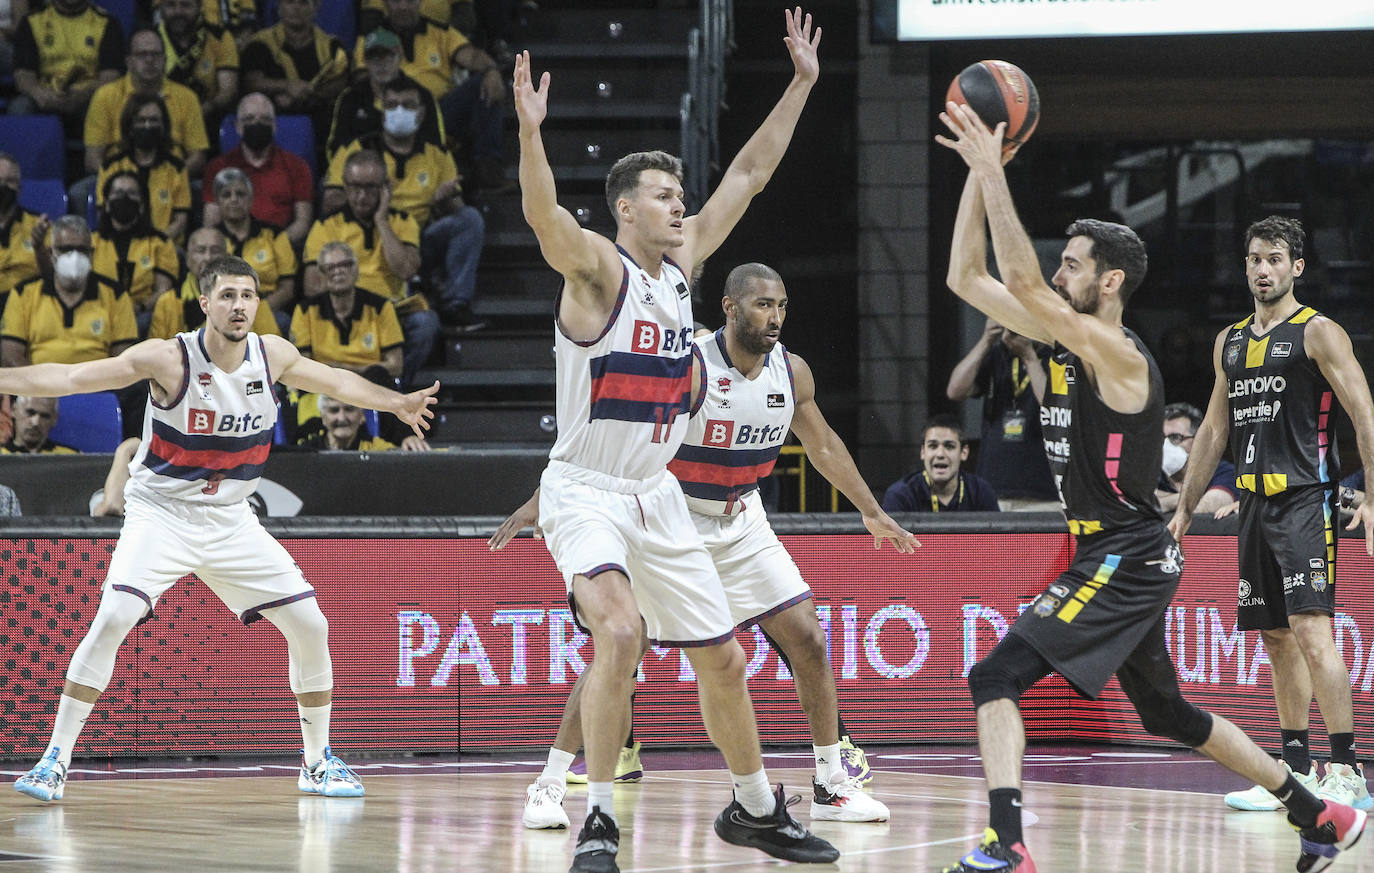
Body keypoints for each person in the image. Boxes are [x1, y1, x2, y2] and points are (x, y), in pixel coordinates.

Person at [935, 103, 1364, 872]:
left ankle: (1007, 840)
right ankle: (1319, 813)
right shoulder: (1063, 334)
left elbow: (1023, 280)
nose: (1053, 273)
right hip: (1129, 551)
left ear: (1108, 283)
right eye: (1058, 262)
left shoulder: (1118, 354)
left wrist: (997, 170)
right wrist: (975, 171)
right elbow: (965, 275)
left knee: (995, 675)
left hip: (1122, 555)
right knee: (1167, 711)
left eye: (1070, 264)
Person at [513, 9, 836, 871]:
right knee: (619, 633)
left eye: (678, 193)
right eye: (663, 193)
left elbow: (753, 172)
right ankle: (600, 823)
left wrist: (802, 83)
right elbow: (543, 215)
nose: (680, 201)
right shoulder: (597, 271)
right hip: (585, 487)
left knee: (725, 660)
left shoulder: (681, 270)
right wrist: (531, 134)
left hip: (658, 494)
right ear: (625, 208)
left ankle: (757, 807)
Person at [7, 253, 439, 804]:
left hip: (231, 519)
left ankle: (317, 761)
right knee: (115, 614)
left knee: (312, 624)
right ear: (205, 303)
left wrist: (398, 402)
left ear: (258, 303)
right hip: (161, 514)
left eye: (249, 296)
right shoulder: (168, 359)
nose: (240, 306)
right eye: (228, 296)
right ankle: (54, 759)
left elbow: (335, 380)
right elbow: (69, 377)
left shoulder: (271, 354)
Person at [502, 263, 915, 831]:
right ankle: (548, 785)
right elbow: (616, 435)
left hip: (742, 519)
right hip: (673, 520)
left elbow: (822, 445)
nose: (775, 317)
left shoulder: (790, 373)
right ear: (729, 306)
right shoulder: (691, 367)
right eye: (763, 305)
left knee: (810, 638)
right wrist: (544, 497)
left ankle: (831, 785)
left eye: (782, 306)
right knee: (620, 649)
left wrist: (870, 509)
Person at [1170, 215, 1374, 815]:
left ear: (1297, 267)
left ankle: (1348, 768)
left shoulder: (1319, 333)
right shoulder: (1230, 341)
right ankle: (1294, 765)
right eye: (1255, 259)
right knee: (1277, 637)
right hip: (1252, 504)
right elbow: (1213, 427)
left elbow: (1365, 415)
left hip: (1306, 500)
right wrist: (1184, 506)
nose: (1263, 269)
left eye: (1275, 259)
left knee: (1313, 632)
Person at [324, 76, 486, 331]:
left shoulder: (437, 154)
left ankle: (456, 304)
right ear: (382, 109)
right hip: (373, 233)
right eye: (392, 104)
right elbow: (330, 201)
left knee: (470, 219)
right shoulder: (358, 149)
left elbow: (458, 209)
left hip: (422, 236)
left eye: (408, 105)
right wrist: (373, 200)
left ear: (421, 114)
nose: (399, 111)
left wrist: (443, 202)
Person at [303, 149, 431, 387]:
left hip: (391, 311)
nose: (361, 196)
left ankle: (397, 385)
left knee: (425, 324)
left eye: (371, 188)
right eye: (354, 187)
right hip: (346, 309)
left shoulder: (403, 222)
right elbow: (312, 286)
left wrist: (381, 221)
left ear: (385, 188)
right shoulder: (326, 225)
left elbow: (405, 270)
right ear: (344, 186)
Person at [366, 0, 507, 192]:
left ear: (420, 3)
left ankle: (488, 164)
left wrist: (492, 70)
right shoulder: (372, 37)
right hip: (393, 112)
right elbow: (362, 76)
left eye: (409, 1)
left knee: (483, 83)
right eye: (396, 1)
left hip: (440, 110)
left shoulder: (441, 31)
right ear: (385, 5)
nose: (403, 7)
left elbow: (472, 57)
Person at [946, 317, 1059, 510]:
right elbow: (955, 390)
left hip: (1042, 491)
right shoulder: (997, 355)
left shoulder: (1055, 358)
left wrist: (1029, 357)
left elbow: (1051, 406)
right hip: (992, 489)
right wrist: (986, 340)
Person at [2, 215, 136, 367]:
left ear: (92, 254)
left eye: (81, 249)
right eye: (65, 249)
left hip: (98, 387)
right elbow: (10, 355)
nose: (74, 256)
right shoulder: (23, 293)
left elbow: (123, 360)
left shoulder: (116, 295)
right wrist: (39, 388)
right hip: (38, 387)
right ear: (51, 253)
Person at [84, 28, 210, 178]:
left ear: (164, 60)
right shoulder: (104, 96)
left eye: (155, 54)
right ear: (128, 61)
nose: (149, 60)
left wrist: (168, 180)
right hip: (119, 182)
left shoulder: (187, 97)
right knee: (79, 194)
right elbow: (92, 160)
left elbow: (198, 158)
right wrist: (122, 181)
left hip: (172, 182)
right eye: (142, 54)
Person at [202, 93, 316, 249]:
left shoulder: (297, 166)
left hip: (279, 247)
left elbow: (302, 223)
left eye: (265, 120)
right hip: (230, 249)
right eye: (249, 119)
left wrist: (272, 248)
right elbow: (211, 223)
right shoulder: (218, 167)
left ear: (274, 126)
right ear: (238, 127)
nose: (257, 124)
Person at [326, 29, 445, 160]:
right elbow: (336, 148)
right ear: (365, 61)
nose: (381, 64)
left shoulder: (422, 95)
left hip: (412, 171)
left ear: (399, 57)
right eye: (373, 57)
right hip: (363, 173)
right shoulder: (350, 97)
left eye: (387, 55)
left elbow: (435, 145)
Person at [95, 94, 192, 247]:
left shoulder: (177, 168)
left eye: (153, 120)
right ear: (130, 125)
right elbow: (104, 213)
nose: (147, 126)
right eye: (141, 120)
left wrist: (154, 243)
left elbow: (180, 221)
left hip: (164, 245)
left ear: (163, 126)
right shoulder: (111, 166)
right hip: (119, 244)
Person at [149, 227, 280, 340]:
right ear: (188, 258)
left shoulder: (249, 298)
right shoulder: (168, 302)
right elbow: (157, 355)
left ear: (226, 257)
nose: (208, 258)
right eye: (200, 250)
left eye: (215, 250)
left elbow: (272, 350)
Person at [8, 0, 122, 129]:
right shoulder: (32, 20)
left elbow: (111, 76)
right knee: (20, 106)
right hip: (45, 97)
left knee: (109, 105)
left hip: (87, 98)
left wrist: (83, 94)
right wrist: (38, 92)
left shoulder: (107, 22)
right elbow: (23, 74)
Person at [208, 167, 299, 327]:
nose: (234, 199)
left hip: (266, 309)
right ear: (218, 202)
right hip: (222, 311)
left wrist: (252, 311)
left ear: (251, 199)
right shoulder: (210, 238)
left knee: (282, 321)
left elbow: (287, 288)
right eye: (226, 195)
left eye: (240, 194)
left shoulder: (274, 235)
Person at [239, 0, 351, 129]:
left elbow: (341, 83)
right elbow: (252, 83)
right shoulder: (259, 44)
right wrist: (286, 86)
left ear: (315, 8)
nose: (296, 8)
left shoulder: (332, 46)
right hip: (272, 123)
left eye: (303, 3)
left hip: (322, 123)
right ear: (279, 8)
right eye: (290, 2)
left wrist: (306, 95)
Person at [92, 170, 178, 329]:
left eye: (132, 193)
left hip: (142, 313)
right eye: (118, 192)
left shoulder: (160, 242)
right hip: (99, 311)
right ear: (107, 204)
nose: (124, 198)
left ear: (142, 205)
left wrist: (141, 307)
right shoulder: (91, 241)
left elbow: (163, 289)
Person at [881, 414, 999, 513]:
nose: (940, 454)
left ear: (964, 452)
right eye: (933, 446)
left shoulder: (981, 492)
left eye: (949, 446)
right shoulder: (901, 495)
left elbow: (997, 540)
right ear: (923, 452)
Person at [157, 0, 239, 122]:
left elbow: (227, 90)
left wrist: (204, 109)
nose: (178, 12)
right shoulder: (149, 39)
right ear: (160, 7)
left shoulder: (220, 36)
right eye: (171, 5)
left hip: (208, 118)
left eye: (186, 5)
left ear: (200, 7)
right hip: (161, 119)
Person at [1155, 401, 1237, 515]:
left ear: (1199, 440)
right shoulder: (1153, 476)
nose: (1165, 445)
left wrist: (1159, 500)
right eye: (1160, 438)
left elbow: (1206, 507)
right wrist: (1188, 500)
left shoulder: (1225, 472)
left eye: (1175, 437)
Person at [0, 152, 48, 300]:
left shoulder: (39, 225)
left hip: (25, 302)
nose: (3, 186)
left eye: (10, 181)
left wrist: (39, 247)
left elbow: (51, 277)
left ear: (19, 188)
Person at [298, 394, 401, 451]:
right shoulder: (307, 453)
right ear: (323, 418)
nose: (342, 418)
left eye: (349, 409)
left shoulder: (378, 450)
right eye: (334, 410)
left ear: (362, 416)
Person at [1, 396, 76, 454]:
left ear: (54, 420)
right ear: (14, 410)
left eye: (45, 416)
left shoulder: (72, 459)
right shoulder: (2, 456)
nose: (36, 422)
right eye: (30, 413)